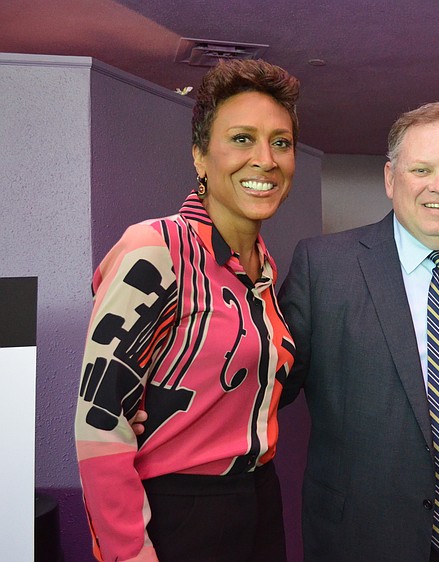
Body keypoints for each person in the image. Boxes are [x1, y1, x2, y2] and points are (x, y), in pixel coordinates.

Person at [280, 102, 439, 562]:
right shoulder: (324, 268)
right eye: (421, 169)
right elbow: (263, 389)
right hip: (363, 542)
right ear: (389, 179)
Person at [75, 59, 299, 562]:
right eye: (242, 138)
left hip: (258, 501)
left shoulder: (262, 269)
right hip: (179, 515)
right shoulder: (156, 248)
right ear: (200, 155)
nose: (265, 159)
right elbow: (99, 421)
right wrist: (128, 553)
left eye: (280, 143)